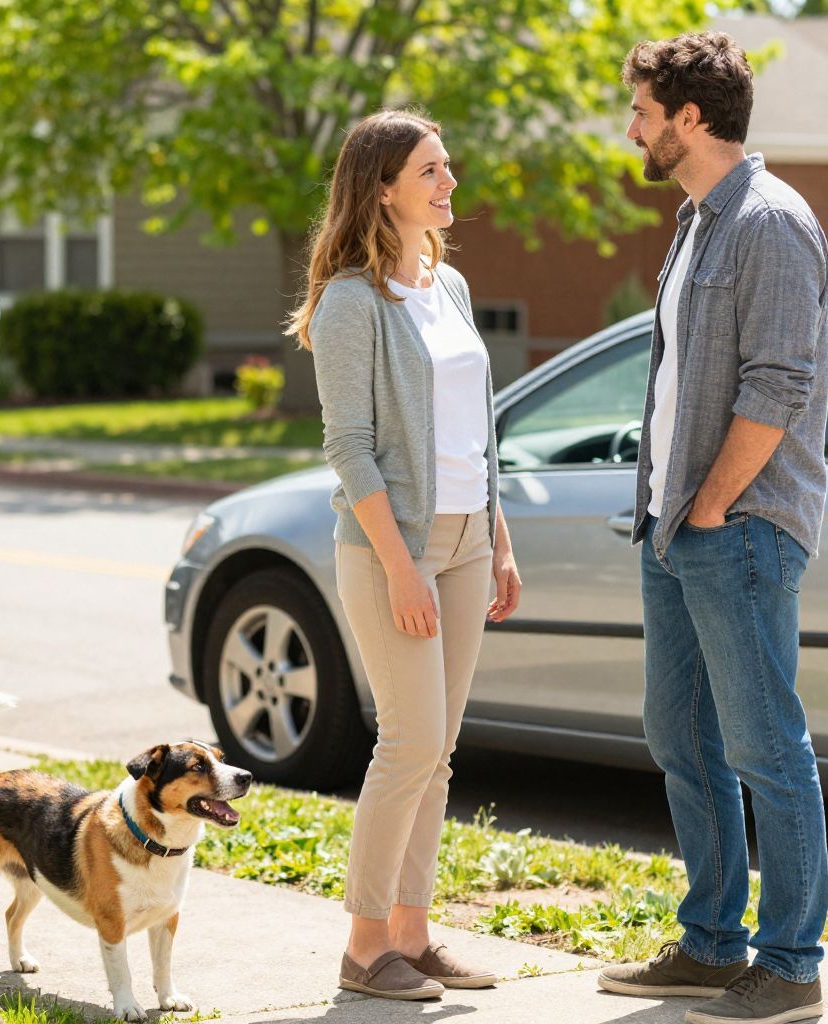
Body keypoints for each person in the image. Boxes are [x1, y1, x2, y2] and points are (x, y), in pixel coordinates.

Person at [597, 32, 828, 1024]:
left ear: (690, 118)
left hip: (736, 526)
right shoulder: (700, 221)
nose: (632, 129)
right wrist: (671, 508)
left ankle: (791, 965)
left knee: (766, 746)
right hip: (675, 527)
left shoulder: (769, 224)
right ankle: (710, 944)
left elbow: (778, 386)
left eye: (643, 111)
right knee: (682, 736)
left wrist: (712, 503)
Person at [288, 109, 521, 1002]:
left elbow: (475, 431)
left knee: (440, 751)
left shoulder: (448, 285)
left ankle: (414, 937)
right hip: (397, 546)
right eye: (430, 170)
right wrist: (399, 565)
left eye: (446, 166)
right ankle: (363, 947)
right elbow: (349, 448)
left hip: (467, 539)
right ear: (383, 189)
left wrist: (498, 541)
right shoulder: (352, 302)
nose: (449, 182)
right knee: (409, 741)